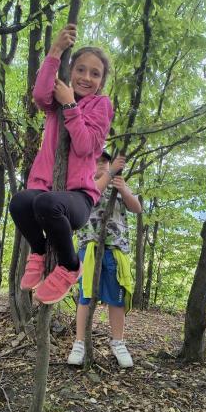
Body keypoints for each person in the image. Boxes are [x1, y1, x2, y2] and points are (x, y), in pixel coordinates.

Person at [9, 24, 114, 305]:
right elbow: (40, 94)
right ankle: (39, 251)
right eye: (80, 69)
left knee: (47, 204)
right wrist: (55, 51)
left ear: (101, 81)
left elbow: (85, 145)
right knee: (19, 202)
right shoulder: (56, 100)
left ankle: (69, 266)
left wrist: (70, 106)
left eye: (95, 73)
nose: (86, 77)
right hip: (45, 188)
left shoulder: (101, 105)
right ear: (71, 71)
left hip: (78, 198)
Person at [67, 152, 142, 368]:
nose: (100, 165)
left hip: (116, 249)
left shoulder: (118, 185)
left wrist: (124, 189)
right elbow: (88, 199)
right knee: (85, 296)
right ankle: (79, 343)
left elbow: (137, 208)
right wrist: (107, 175)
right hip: (89, 249)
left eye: (105, 162)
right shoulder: (84, 185)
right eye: (96, 161)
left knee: (117, 299)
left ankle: (118, 342)